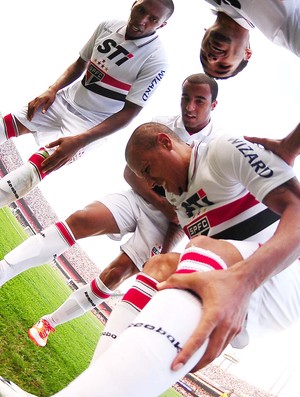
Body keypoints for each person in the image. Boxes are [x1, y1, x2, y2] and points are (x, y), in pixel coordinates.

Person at [0, 122, 299, 396]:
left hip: (282, 272)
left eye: (147, 169)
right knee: (159, 266)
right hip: (240, 277)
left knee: (201, 249)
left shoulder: (221, 150)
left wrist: (244, 281)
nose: (150, 181)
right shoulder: (181, 204)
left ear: (165, 142)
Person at [0, 73, 219, 348]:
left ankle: (49, 323)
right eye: (185, 98)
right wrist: (162, 202)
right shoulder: (161, 125)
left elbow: (197, 207)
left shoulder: (216, 147)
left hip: (169, 225)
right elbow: (130, 173)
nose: (189, 107)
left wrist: (168, 242)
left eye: (199, 101)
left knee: (116, 275)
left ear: (213, 105)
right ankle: (3, 271)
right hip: (143, 198)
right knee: (82, 219)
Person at [0, 0, 174, 207]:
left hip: (88, 126)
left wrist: (82, 141)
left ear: (162, 25)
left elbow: (130, 112)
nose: (142, 20)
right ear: (134, 3)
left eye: (153, 19)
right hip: (64, 100)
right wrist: (52, 89)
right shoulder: (108, 25)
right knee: (3, 126)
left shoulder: (157, 59)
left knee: (34, 171)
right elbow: (80, 63)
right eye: (141, 10)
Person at [200, 0, 300, 79]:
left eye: (204, 57)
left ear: (205, 32)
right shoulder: (279, 26)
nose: (211, 59)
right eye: (223, 66)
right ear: (247, 53)